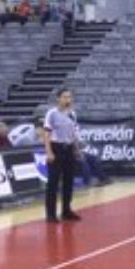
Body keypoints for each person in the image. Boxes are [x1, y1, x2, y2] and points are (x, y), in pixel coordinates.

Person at [42, 89, 81, 224]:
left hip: (68, 148)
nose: (68, 100)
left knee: (68, 182)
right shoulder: (51, 114)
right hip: (56, 148)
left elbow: (74, 133)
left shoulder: (72, 114)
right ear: (58, 99)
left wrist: (76, 149)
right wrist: (49, 152)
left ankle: (66, 210)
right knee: (53, 183)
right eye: (65, 97)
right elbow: (46, 134)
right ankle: (50, 214)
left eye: (69, 97)